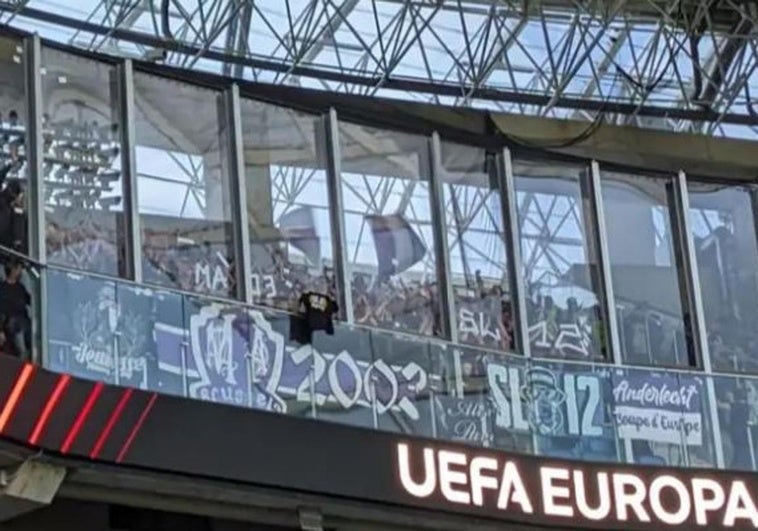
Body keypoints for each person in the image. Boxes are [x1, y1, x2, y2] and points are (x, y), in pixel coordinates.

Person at [0, 260, 31, 358]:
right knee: (21, 349)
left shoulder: (20, 287)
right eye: (18, 269)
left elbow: (30, 301)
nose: (20, 271)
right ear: (13, 270)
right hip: (12, 325)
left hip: (24, 323)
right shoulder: (2, 289)